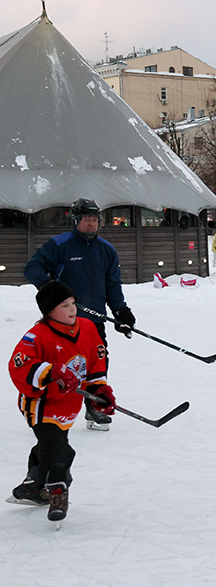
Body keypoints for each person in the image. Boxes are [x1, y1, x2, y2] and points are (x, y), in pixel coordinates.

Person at [8, 281, 116, 522]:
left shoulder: (87, 328)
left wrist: (99, 392)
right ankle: (58, 493)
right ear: (49, 312)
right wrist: (50, 371)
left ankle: (33, 486)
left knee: (49, 447)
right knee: (58, 449)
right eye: (64, 305)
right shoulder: (36, 336)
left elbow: (96, 362)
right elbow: (18, 365)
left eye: (73, 304)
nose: (72, 309)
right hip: (41, 403)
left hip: (69, 404)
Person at [24, 198, 134, 431]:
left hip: (94, 321)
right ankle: (50, 406)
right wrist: (49, 287)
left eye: (95, 220)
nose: (91, 224)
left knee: (98, 363)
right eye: (86, 219)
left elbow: (113, 285)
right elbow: (32, 267)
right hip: (64, 321)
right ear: (76, 220)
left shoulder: (107, 249)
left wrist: (120, 311)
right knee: (62, 364)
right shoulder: (60, 245)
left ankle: (94, 406)